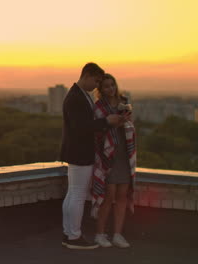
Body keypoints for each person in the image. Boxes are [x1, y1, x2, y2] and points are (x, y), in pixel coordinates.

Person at [60, 63, 125, 250]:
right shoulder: (75, 98)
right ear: (87, 75)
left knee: (73, 193)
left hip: (76, 151)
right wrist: (107, 121)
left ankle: (68, 233)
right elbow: (82, 128)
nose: (97, 85)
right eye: (96, 80)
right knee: (78, 194)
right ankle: (74, 236)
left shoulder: (78, 95)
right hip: (80, 152)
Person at [90, 73, 136, 248]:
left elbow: (130, 125)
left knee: (122, 196)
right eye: (106, 86)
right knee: (107, 196)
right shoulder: (99, 107)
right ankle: (99, 234)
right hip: (107, 156)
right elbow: (97, 131)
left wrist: (127, 120)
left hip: (124, 153)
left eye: (113, 85)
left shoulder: (124, 102)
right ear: (100, 89)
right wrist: (113, 123)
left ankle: (117, 234)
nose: (111, 89)